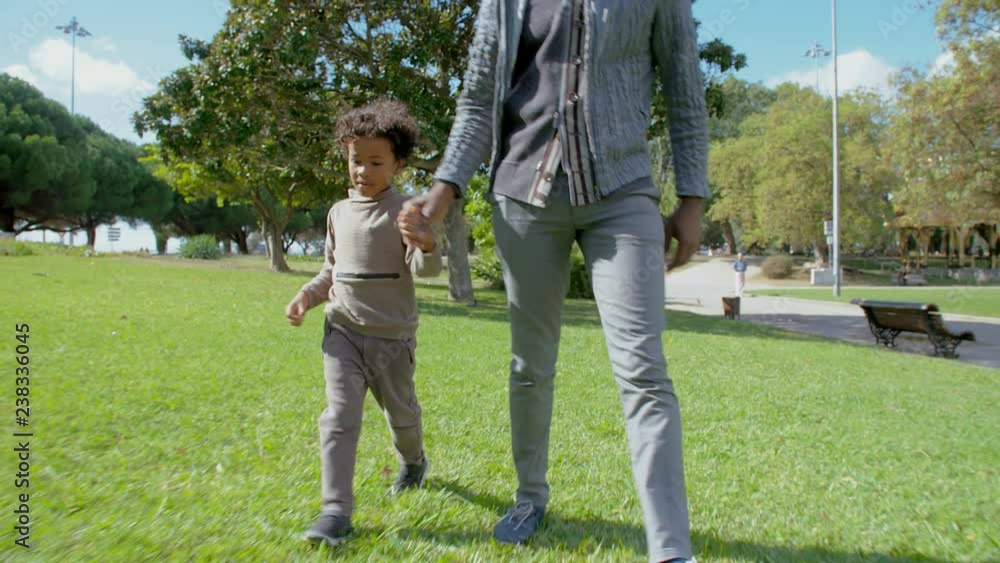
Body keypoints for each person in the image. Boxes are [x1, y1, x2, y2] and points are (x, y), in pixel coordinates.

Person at [398, 2, 708, 561]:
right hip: (524, 194)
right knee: (530, 365)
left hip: (623, 191)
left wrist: (692, 196)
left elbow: (685, 87)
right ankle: (529, 497)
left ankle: (671, 548)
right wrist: (444, 188)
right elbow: (477, 97)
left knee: (644, 370)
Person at [285, 100, 442, 547]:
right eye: (356, 161)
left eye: (376, 162)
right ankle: (335, 511)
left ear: (397, 163)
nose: (363, 171)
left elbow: (424, 271)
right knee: (339, 417)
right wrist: (307, 296)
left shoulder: (407, 210)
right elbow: (332, 270)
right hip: (343, 333)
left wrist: (428, 244)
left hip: (391, 341)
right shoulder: (338, 212)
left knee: (402, 417)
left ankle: (413, 463)